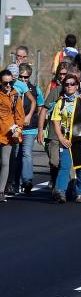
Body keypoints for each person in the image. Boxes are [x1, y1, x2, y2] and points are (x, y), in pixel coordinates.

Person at [51, 74, 81, 203]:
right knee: (65, 165)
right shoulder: (61, 102)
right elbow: (56, 121)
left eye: (72, 84)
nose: (69, 86)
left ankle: (80, 192)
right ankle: (60, 191)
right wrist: (61, 138)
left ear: (77, 86)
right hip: (66, 139)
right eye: (67, 84)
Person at [13, 63, 42, 196]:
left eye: (26, 77)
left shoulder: (35, 90)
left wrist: (40, 125)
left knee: (26, 152)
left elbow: (41, 106)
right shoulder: (12, 87)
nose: (24, 79)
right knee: (16, 154)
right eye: (21, 76)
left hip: (30, 127)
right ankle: (15, 181)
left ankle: (27, 180)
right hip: (15, 127)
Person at [38, 65, 69, 187]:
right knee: (54, 162)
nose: (62, 76)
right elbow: (44, 109)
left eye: (64, 74)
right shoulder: (54, 89)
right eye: (60, 74)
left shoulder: (76, 90)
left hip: (69, 133)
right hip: (53, 131)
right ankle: (55, 179)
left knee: (67, 163)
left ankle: (62, 187)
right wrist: (40, 130)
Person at [0, 70, 24, 202]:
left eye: (11, 82)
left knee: (5, 162)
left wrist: (18, 130)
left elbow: (20, 116)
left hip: (8, 135)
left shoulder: (16, 96)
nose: (8, 85)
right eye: (5, 83)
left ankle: (1, 191)